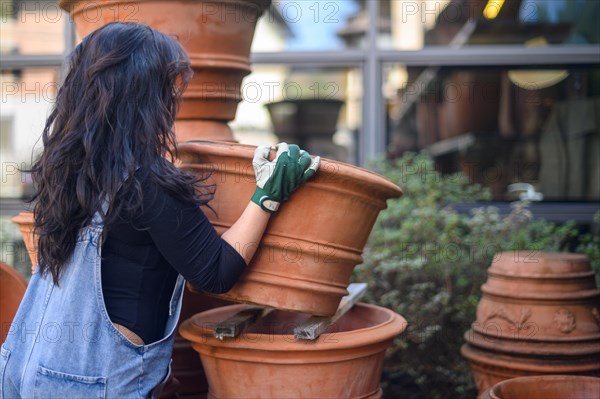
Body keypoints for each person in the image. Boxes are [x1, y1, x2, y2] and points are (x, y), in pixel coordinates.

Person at [0, 22, 319, 398]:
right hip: (97, 383)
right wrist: (268, 194)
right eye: (168, 88)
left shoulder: (68, 173)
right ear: (146, 98)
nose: (174, 101)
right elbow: (215, 273)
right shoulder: (147, 182)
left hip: (28, 370)